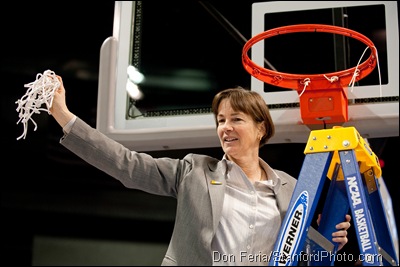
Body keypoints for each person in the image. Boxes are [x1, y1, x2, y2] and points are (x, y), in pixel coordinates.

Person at [49, 76, 351, 266]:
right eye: (220, 120)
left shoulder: (290, 185)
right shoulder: (194, 171)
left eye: (236, 119)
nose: (225, 128)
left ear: (261, 128)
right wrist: (63, 116)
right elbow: (126, 164)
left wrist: (330, 240)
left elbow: (305, 252)